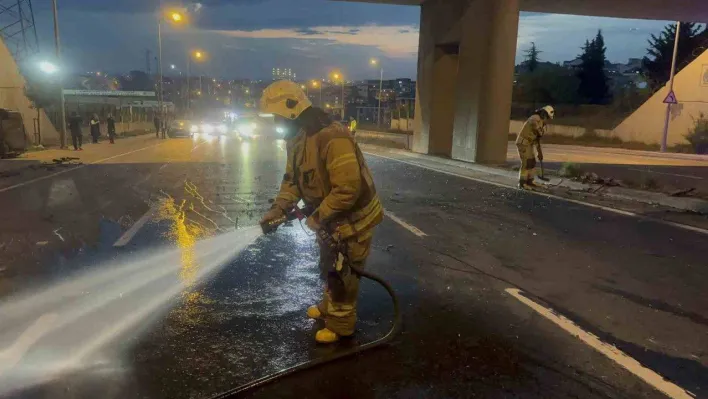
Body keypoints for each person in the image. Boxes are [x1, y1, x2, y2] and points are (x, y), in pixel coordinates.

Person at [259, 80, 384, 344]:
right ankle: (329, 309)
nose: (274, 122)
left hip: (353, 220)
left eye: (276, 116)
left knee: (343, 272)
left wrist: (316, 217)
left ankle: (341, 327)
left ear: (292, 110)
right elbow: (292, 180)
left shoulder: (332, 137)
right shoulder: (297, 138)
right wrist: (278, 209)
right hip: (330, 218)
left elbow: (348, 189)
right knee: (329, 263)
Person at [516, 105, 554, 189]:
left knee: (532, 162)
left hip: (529, 144)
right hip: (523, 143)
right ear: (544, 114)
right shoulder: (535, 118)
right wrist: (539, 129)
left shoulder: (541, 123)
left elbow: (537, 140)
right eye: (547, 117)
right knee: (526, 163)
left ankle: (530, 181)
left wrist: (539, 153)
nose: (547, 120)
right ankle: (522, 183)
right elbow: (533, 124)